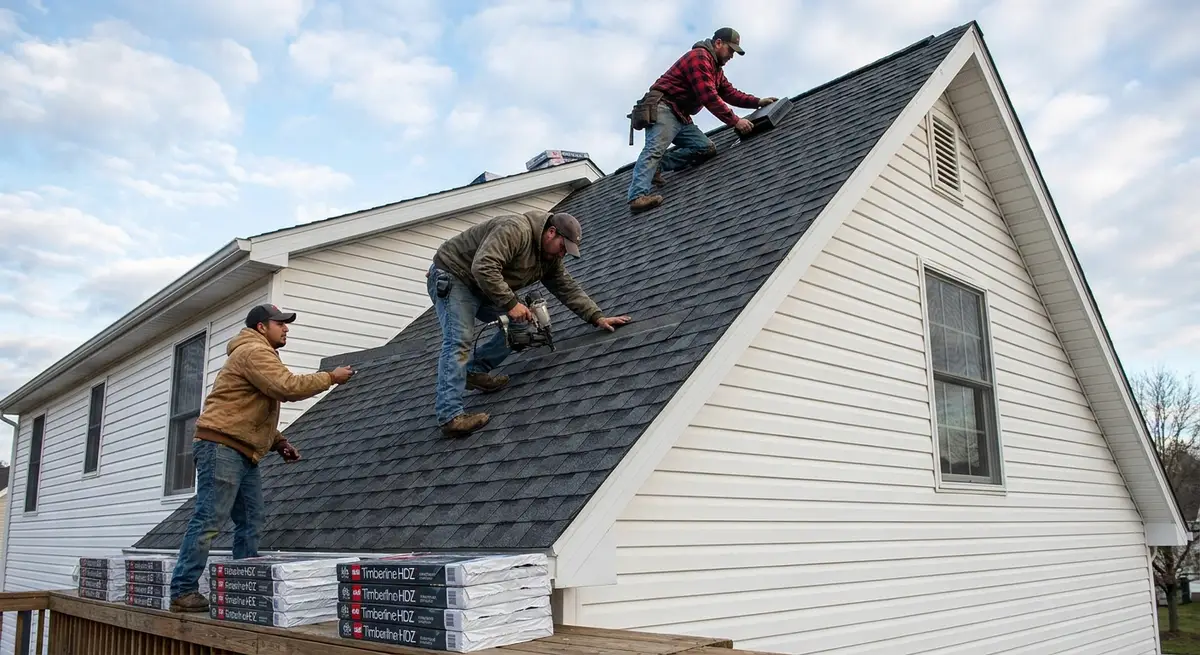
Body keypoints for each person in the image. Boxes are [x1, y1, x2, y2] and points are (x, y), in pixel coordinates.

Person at [168, 304, 354, 612]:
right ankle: (183, 590)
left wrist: (279, 442)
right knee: (210, 519)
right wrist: (330, 377)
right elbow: (286, 387)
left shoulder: (258, 355)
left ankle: (242, 586)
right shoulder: (253, 352)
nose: (286, 328)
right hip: (222, 447)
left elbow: (250, 409)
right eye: (279, 323)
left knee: (251, 520)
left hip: (242, 449)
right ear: (260, 327)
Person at [427, 210, 631, 437]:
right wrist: (510, 303)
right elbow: (483, 266)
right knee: (459, 338)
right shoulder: (517, 229)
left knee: (521, 323)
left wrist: (596, 316)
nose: (563, 254)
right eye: (563, 247)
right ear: (551, 233)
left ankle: (474, 372)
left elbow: (565, 286)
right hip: (454, 274)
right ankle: (450, 415)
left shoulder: (549, 258)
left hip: (482, 286)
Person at [627, 27, 777, 213]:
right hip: (664, 107)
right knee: (654, 148)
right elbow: (709, 97)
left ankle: (658, 167)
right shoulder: (699, 57)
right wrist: (735, 121)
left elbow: (729, 93)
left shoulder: (716, 70)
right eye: (730, 50)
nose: (731, 55)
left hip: (680, 115)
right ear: (718, 43)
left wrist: (757, 102)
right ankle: (637, 196)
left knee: (706, 148)